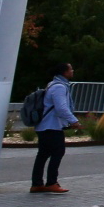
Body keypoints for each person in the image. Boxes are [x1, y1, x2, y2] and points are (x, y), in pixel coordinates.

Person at [30, 62, 76, 194]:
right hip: (52, 126)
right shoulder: (59, 87)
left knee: (43, 154)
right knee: (57, 152)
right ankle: (51, 182)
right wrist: (73, 120)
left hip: (44, 125)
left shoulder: (52, 84)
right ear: (64, 72)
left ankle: (37, 183)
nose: (72, 71)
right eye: (70, 69)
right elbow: (61, 107)